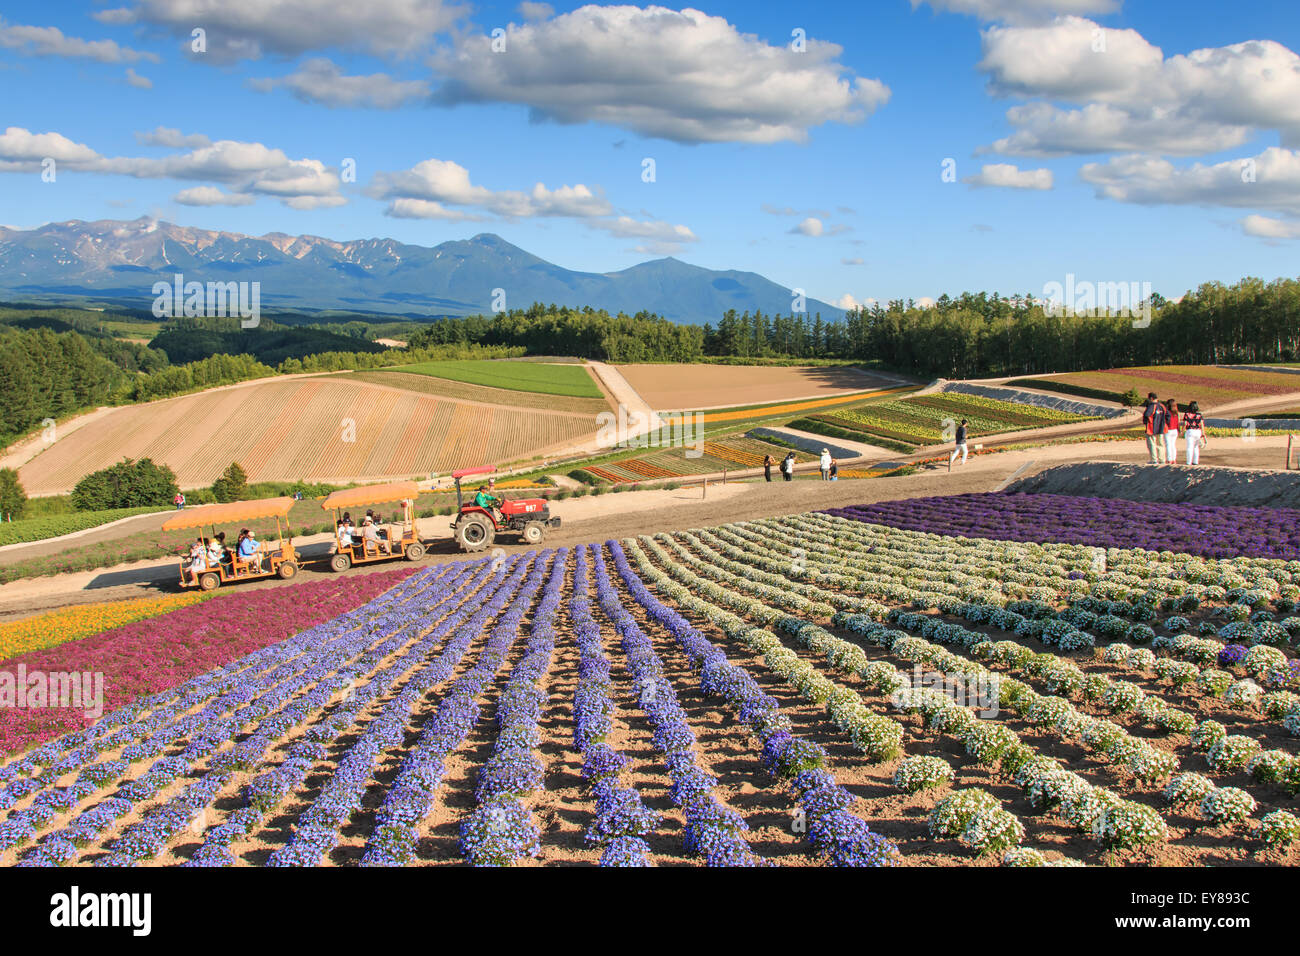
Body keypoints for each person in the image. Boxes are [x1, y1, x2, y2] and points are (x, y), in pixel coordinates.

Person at [1143, 392, 1166, 464]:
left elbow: (1147, 415)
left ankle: (1154, 460)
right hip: (1161, 428)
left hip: (1152, 427)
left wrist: (1146, 422)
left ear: (1151, 398)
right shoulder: (1162, 406)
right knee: (1160, 444)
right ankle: (1162, 460)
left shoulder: (1151, 406)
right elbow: (1168, 415)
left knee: (1152, 444)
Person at [1182, 400, 1206, 466]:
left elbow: (1185, 423)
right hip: (1198, 431)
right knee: (1196, 447)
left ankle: (1188, 462)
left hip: (1190, 431)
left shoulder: (1187, 414)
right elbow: (1202, 424)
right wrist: (1203, 433)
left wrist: (1182, 431)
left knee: (1190, 447)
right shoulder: (1199, 415)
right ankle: (1195, 462)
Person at [1163, 400, 1180, 465]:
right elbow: (1178, 422)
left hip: (1168, 429)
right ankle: (1173, 459)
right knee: (1173, 445)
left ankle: (1169, 459)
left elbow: (1166, 421)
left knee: (1168, 445)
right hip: (1175, 430)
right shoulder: (1176, 413)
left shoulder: (1167, 412)